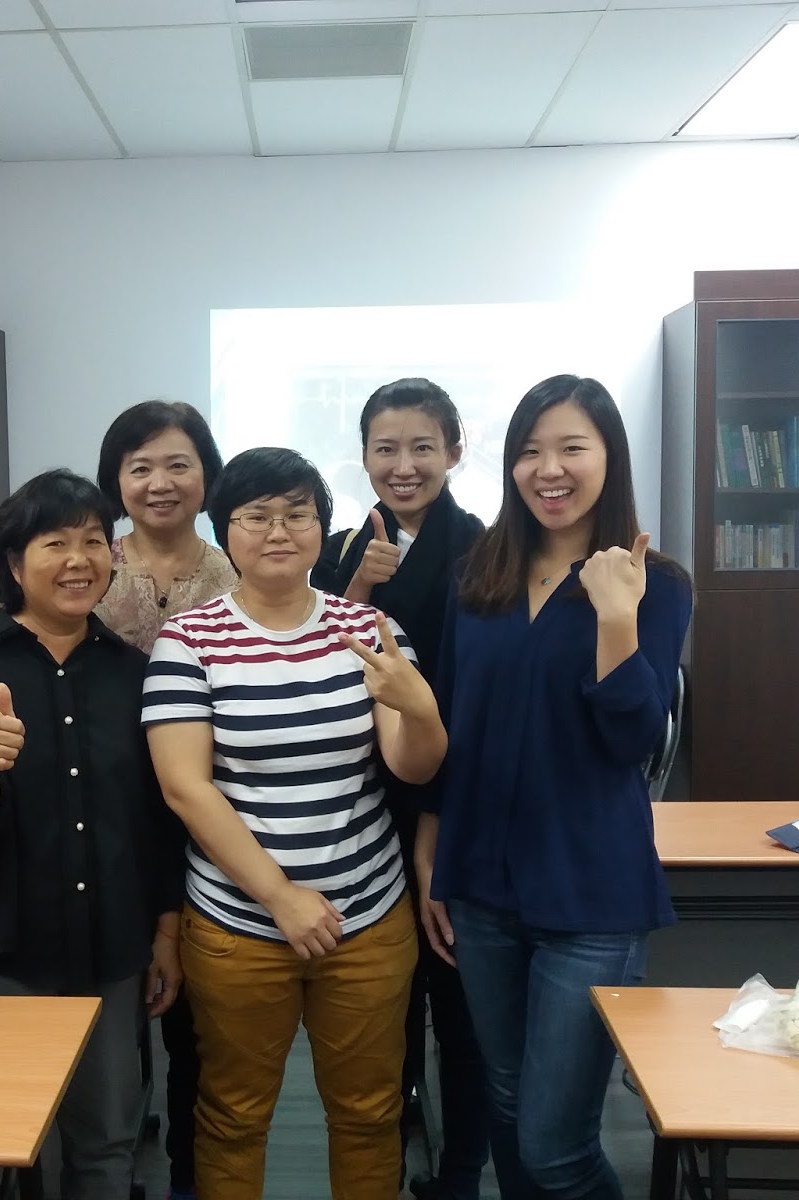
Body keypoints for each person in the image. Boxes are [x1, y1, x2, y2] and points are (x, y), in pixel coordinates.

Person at [0, 400, 236, 1200]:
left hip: (113, 945)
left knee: (106, 1143)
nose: (79, 559)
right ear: (15, 563)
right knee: (9, 1140)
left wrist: (164, 933)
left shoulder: (135, 674)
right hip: (6, 945)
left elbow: (155, 820)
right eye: (55, 543)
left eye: (93, 540)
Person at [144, 447, 448, 1200]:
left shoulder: (369, 629)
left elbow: (411, 767)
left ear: (322, 527)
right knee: (234, 1115)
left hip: (368, 917)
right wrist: (280, 896)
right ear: (227, 530)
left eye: (297, 514)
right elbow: (186, 788)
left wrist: (422, 711)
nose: (278, 531)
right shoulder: (189, 639)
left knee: (370, 1113)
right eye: (256, 516)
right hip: (238, 924)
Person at [416, 375, 692, 1199]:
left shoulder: (657, 584)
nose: (549, 469)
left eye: (573, 447)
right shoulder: (478, 576)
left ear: (610, 457)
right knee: (505, 1102)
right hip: (481, 886)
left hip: (590, 894)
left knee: (557, 1148)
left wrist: (617, 617)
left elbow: (633, 741)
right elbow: (449, 721)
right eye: (530, 451)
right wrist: (432, 852)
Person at [310, 377, 491, 1200]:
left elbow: (472, 693)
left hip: (449, 802)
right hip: (356, 807)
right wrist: (357, 590)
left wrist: (434, 828)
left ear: (455, 451)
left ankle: (460, 1173)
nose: (403, 465)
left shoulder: (486, 550)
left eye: (422, 446)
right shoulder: (337, 550)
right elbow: (312, 669)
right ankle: (394, 1136)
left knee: (455, 997)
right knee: (383, 999)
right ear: (363, 457)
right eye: (386, 448)